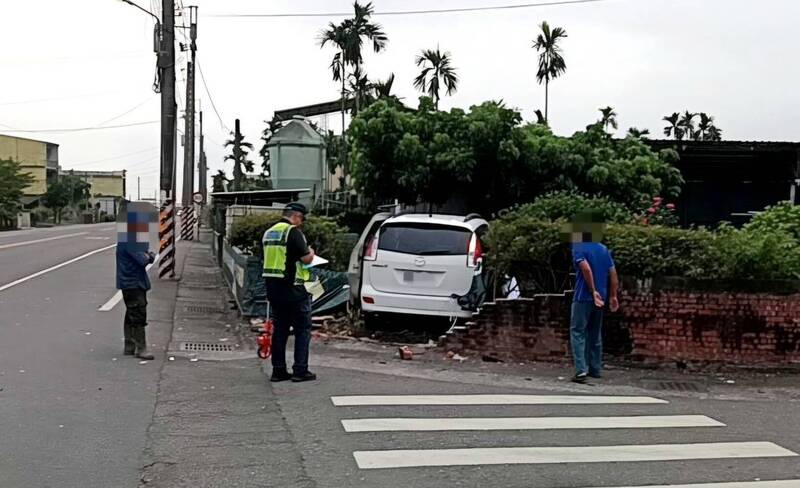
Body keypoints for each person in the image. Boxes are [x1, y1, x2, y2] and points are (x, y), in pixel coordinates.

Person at [262, 202, 317, 382]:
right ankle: (300, 370)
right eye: (301, 219)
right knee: (302, 329)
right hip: (293, 289)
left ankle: (278, 371)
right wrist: (311, 252)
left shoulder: (269, 233)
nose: (301, 223)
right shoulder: (292, 232)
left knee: (280, 330)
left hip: (273, 289)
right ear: (296, 216)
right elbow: (306, 259)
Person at [569, 215, 619, 384]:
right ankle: (595, 368)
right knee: (594, 332)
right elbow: (613, 273)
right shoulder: (603, 249)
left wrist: (592, 291)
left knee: (577, 331)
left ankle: (581, 370)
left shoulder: (579, 247)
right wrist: (613, 295)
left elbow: (586, 269)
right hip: (601, 297)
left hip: (583, 296)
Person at [116, 201, 157, 360]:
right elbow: (143, 259)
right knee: (138, 314)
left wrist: (148, 255)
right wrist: (150, 256)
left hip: (130, 281)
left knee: (131, 313)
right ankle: (141, 348)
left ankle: (129, 345)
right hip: (133, 282)